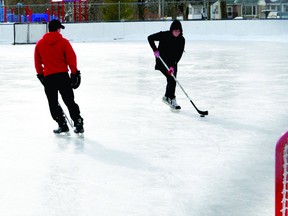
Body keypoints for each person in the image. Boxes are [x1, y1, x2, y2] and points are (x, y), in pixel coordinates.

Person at [34, 19, 84, 134]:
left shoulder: (40, 44)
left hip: (49, 78)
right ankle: (78, 122)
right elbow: (71, 59)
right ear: (57, 29)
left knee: (53, 102)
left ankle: (61, 123)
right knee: (69, 100)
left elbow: (37, 63)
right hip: (62, 76)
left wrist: (41, 75)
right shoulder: (64, 42)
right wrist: (75, 73)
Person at [148, 19, 185, 110]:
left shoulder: (181, 40)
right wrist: (155, 50)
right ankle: (170, 98)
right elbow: (150, 38)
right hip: (162, 61)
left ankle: (169, 97)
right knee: (171, 78)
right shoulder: (164, 35)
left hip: (173, 62)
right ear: (171, 30)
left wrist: (173, 66)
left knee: (173, 79)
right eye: (175, 30)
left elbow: (179, 55)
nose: (177, 32)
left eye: (179, 31)